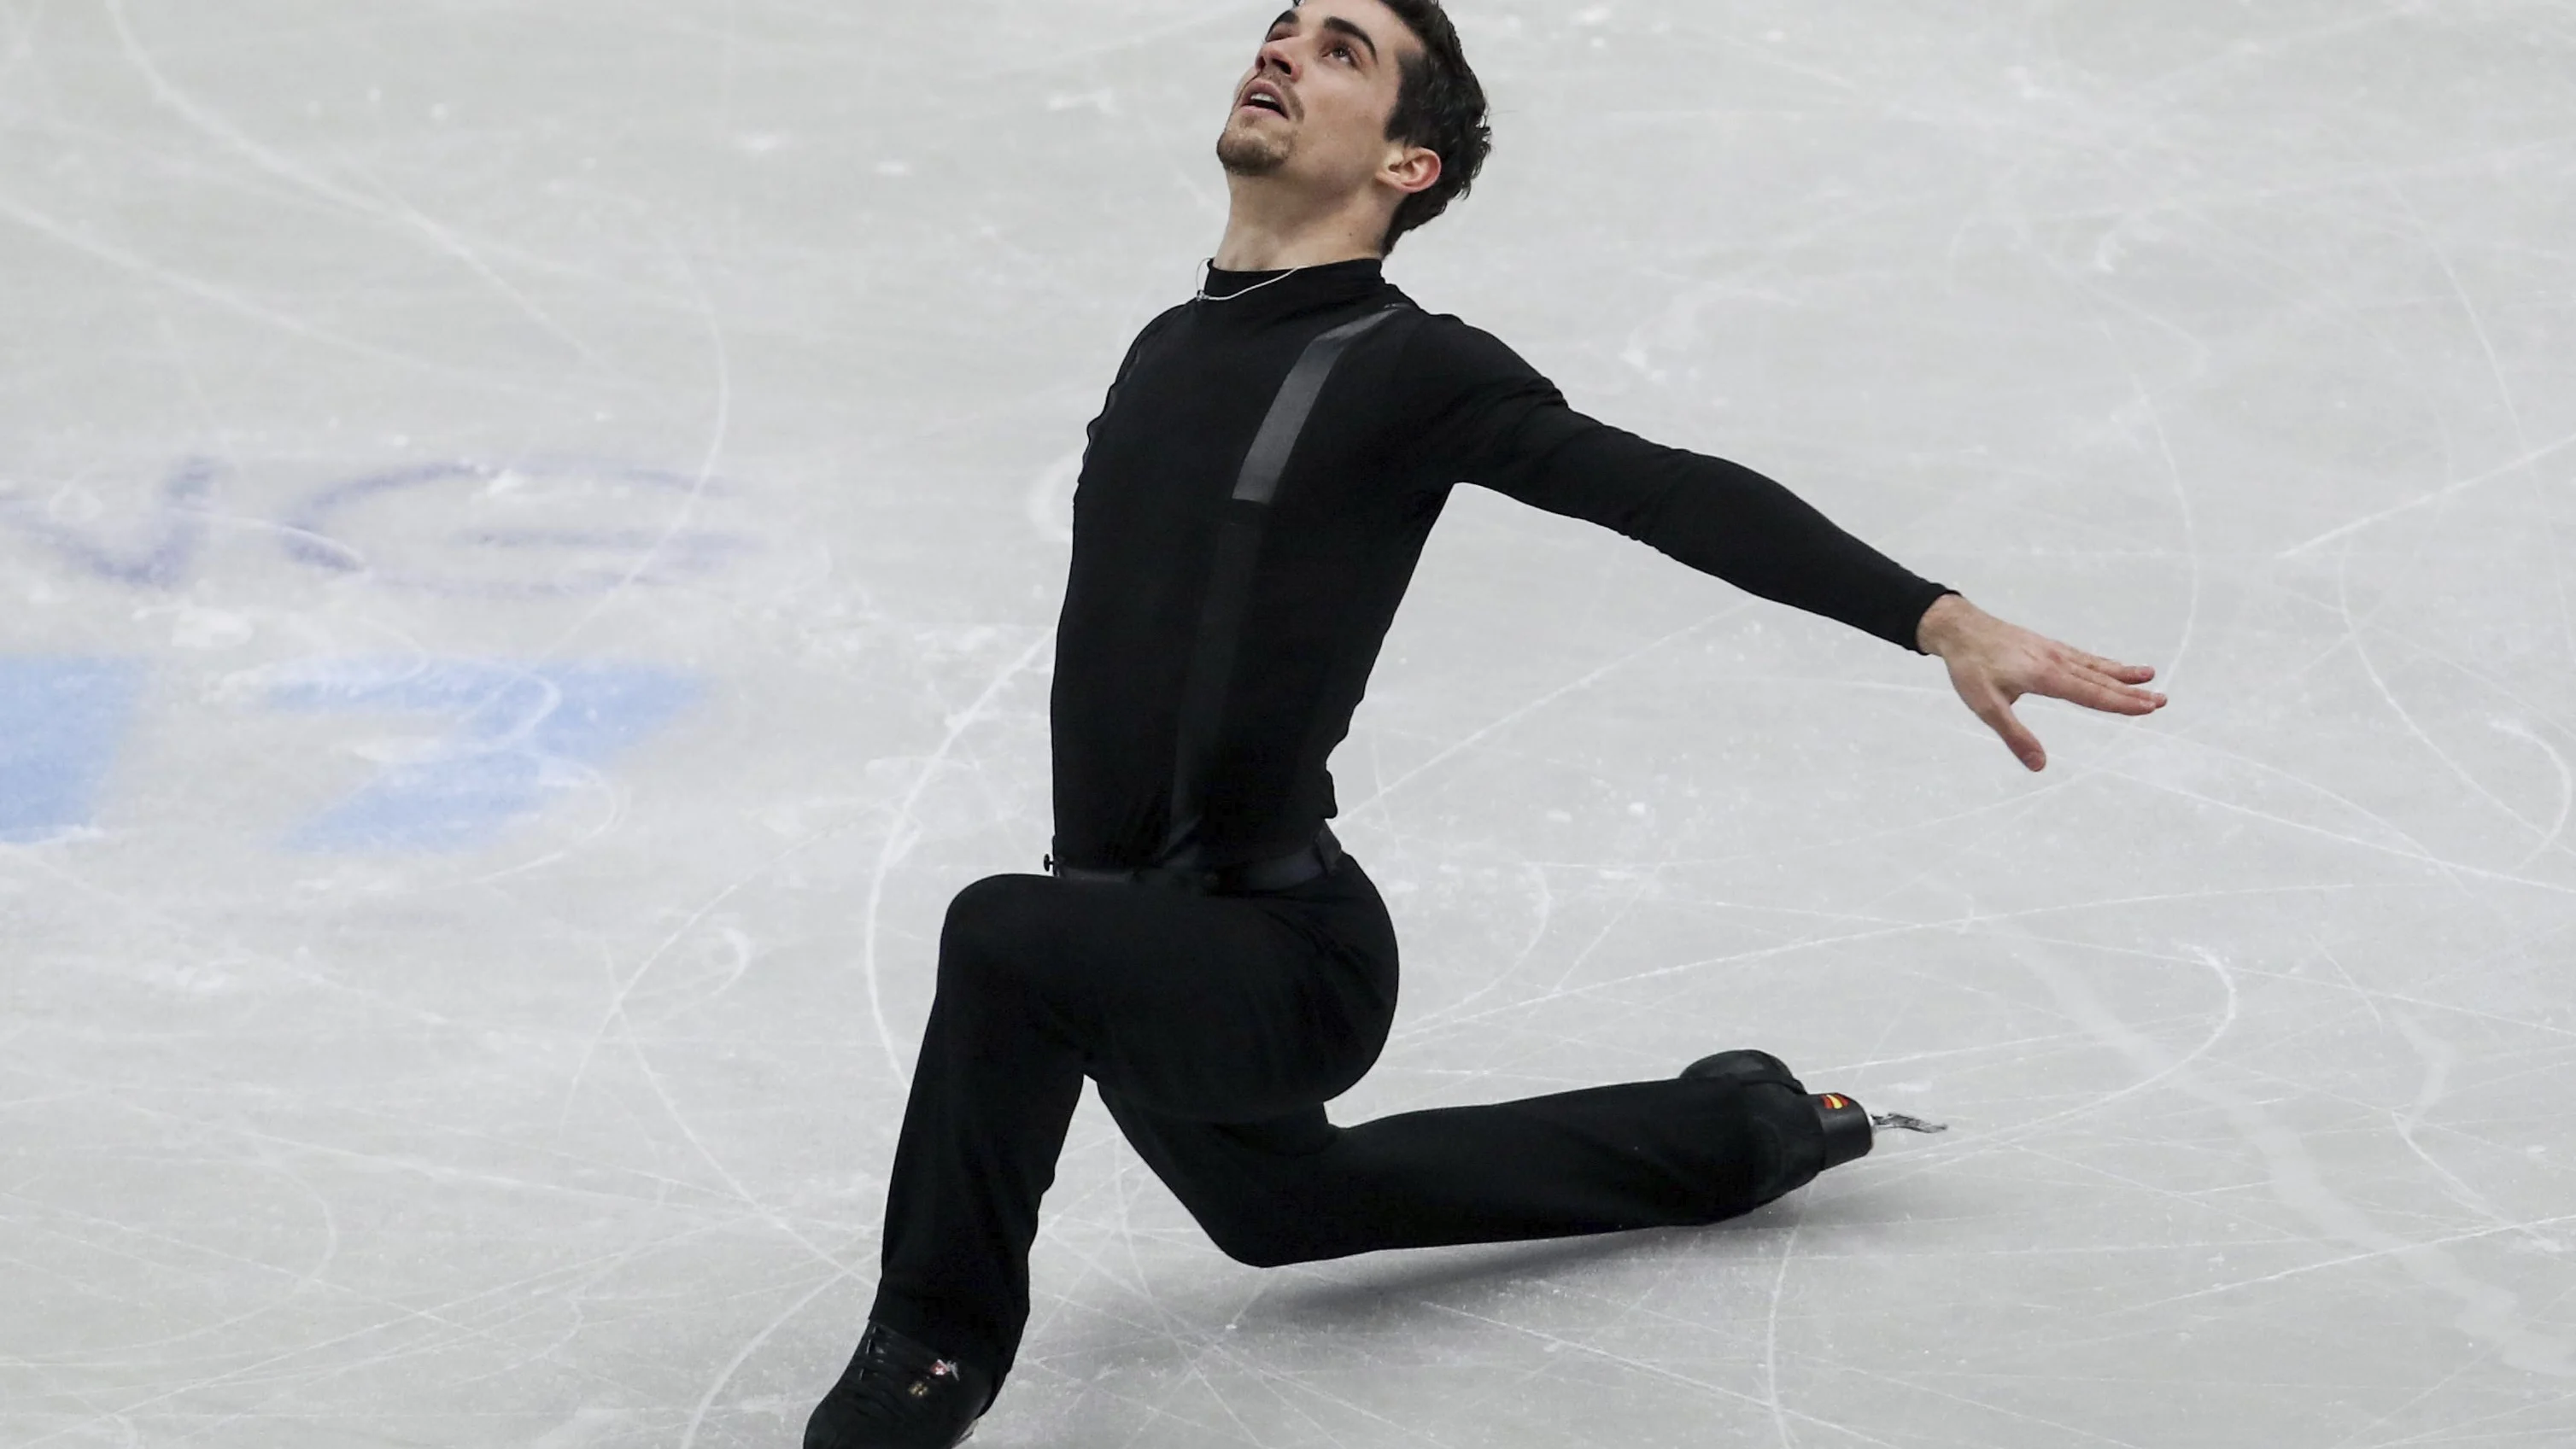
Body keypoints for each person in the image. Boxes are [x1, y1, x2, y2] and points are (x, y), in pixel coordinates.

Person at [803, 3, 2169, 1443]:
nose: (1281, 51)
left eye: (1341, 51)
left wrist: (1933, 613)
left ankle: (928, 1357)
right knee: (1281, 1207)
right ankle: (1745, 1125)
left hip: (1279, 956)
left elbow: (1662, 487)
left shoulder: (1409, 368)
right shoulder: (1165, 346)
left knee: (1001, 936)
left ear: (1410, 165)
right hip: (1132, 940)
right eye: (1281, 28)